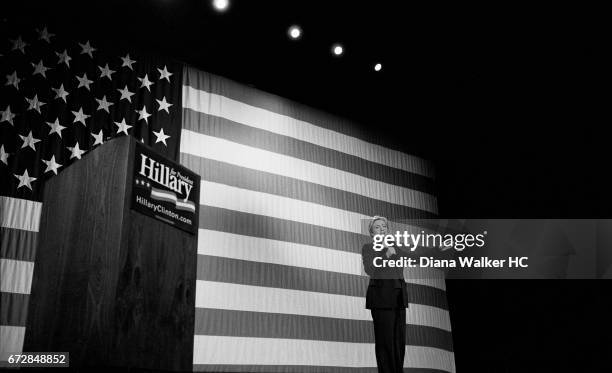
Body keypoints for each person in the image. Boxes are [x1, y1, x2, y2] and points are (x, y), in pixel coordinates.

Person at [362, 216, 410, 373]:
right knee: (385, 343)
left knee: (398, 343)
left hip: (398, 298)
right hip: (381, 300)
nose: (382, 229)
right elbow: (370, 269)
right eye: (377, 227)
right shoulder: (368, 248)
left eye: (384, 226)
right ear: (371, 232)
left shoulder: (395, 246)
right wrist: (386, 254)